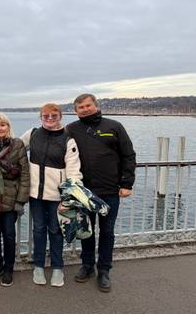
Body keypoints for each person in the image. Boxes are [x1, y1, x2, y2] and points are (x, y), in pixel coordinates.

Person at [66, 94, 136, 292]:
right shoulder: (71, 129)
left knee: (107, 232)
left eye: (88, 105)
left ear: (96, 106)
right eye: (80, 107)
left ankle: (104, 270)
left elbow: (128, 155)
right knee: (86, 231)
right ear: (76, 110)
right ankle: (87, 266)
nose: (85, 109)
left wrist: (127, 183)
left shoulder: (114, 126)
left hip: (109, 191)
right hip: (83, 192)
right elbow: (54, 143)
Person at [21, 103, 82, 287]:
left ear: (60, 116)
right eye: (46, 115)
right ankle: (38, 265)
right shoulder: (32, 134)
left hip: (58, 197)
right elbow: (14, 148)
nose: (49, 118)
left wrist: (70, 197)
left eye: (53, 115)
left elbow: (73, 171)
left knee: (56, 231)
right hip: (36, 195)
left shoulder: (68, 140)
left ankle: (57, 267)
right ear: (40, 117)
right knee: (38, 230)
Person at [0, 113, 30, 287]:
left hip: (11, 198)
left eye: (3, 125)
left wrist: (20, 201)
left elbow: (24, 174)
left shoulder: (17, 144)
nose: (0, 128)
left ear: (8, 126)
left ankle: (9, 268)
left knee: (9, 236)